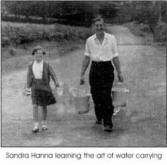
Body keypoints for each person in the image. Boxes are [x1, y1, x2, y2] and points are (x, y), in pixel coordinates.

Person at [80, 16, 123, 132]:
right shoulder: (89, 40)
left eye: (101, 25)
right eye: (97, 25)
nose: (99, 27)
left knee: (106, 95)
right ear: (94, 26)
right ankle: (99, 116)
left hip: (107, 68)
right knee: (95, 95)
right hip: (95, 69)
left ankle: (108, 122)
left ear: (104, 26)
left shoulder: (111, 39)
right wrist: (82, 74)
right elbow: (86, 58)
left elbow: (115, 56)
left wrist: (119, 72)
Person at [26, 46, 60, 133]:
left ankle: (44, 124)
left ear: (43, 55)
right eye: (37, 53)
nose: (39, 55)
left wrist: (56, 82)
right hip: (34, 87)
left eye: (41, 54)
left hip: (44, 87)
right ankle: (36, 125)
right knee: (34, 106)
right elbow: (29, 78)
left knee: (44, 106)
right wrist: (27, 89)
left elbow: (53, 74)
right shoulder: (30, 65)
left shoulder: (47, 65)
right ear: (34, 55)